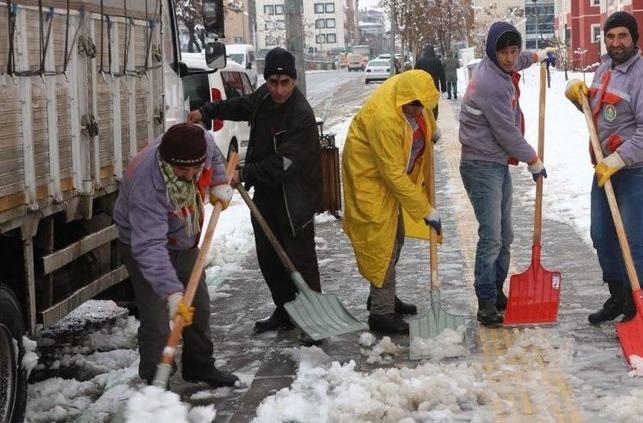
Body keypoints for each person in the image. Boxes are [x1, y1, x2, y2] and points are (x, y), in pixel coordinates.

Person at [188, 47, 322, 334]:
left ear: (294, 81)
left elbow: (283, 163)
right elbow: (239, 105)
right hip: (266, 195)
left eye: (284, 83)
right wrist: (206, 111)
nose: (278, 89)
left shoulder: (301, 116)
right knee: (269, 260)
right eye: (273, 82)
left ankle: (314, 318)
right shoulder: (263, 97)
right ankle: (286, 311)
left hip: (294, 199)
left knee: (300, 260)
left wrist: (244, 173)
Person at [114, 123, 238, 388]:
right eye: (183, 170)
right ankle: (157, 382)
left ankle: (199, 366)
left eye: (196, 168)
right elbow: (149, 247)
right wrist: (171, 291)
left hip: (183, 236)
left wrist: (218, 182)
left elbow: (215, 157)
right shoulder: (147, 186)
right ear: (166, 162)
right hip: (143, 246)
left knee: (198, 305)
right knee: (157, 319)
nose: (191, 174)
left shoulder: (200, 142)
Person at [565, 11, 643, 325]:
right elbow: (602, 112)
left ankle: (637, 302)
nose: (616, 42)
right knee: (603, 234)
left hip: (637, 171)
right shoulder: (605, 68)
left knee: (632, 238)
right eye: (610, 37)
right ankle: (619, 294)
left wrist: (618, 160)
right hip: (605, 169)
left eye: (622, 36)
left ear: (634, 38)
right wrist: (579, 98)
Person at [458, 21, 552, 325]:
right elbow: (506, 133)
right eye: (505, 53)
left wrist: (538, 56)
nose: (511, 58)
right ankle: (486, 299)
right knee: (492, 236)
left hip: (495, 162)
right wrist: (533, 160)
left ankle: (497, 290)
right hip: (480, 164)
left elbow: (521, 60)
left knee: (505, 234)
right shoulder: (491, 84)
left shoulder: (499, 66)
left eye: (515, 51)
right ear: (491, 51)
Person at [341, 70, 441, 334]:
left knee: (396, 237)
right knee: (381, 243)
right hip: (368, 177)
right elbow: (393, 174)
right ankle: (381, 314)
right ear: (405, 100)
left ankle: (382, 296)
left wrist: (433, 128)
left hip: (387, 172)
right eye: (415, 106)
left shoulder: (410, 91)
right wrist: (425, 210)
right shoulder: (385, 119)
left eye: (422, 105)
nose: (419, 110)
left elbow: (425, 107)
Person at [414, 45, 446, 117]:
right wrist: (444, 87)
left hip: (423, 87)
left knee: (423, 104)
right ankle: (434, 119)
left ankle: (425, 119)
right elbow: (442, 75)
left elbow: (415, 74)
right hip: (434, 86)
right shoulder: (437, 61)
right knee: (434, 104)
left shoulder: (420, 62)